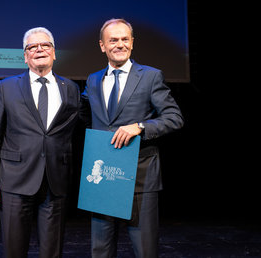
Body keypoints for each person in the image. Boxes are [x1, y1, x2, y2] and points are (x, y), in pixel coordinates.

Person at [80, 18, 184, 258]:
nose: (120, 44)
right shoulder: (93, 80)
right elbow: (87, 116)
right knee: (100, 249)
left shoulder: (150, 76)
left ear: (132, 43)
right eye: (113, 40)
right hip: (102, 175)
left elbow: (174, 117)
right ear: (102, 45)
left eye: (124, 39)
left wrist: (140, 126)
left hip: (139, 175)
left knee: (144, 249)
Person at [0, 27, 80, 258]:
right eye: (32, 47)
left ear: (54, 53)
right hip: (15, 181)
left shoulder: (71, 89)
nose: (39, 50)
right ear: (25, 56)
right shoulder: (7, 87)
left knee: (51, 252)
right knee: (15, 251)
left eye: (45, 45)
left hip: (56, 182)